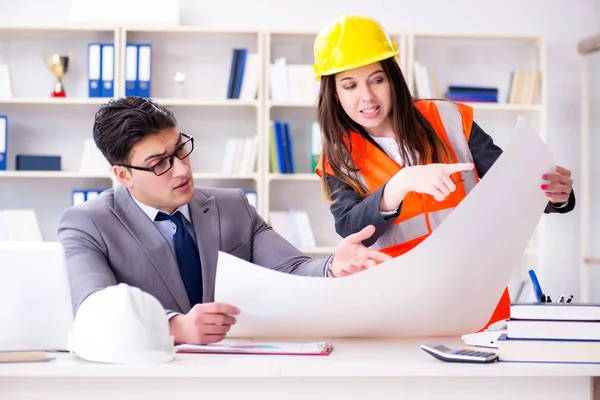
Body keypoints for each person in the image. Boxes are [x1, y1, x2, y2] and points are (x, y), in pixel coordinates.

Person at [57, 96, 391, 345]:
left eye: (181, 149)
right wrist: (174, 327)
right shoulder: (88, 224)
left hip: (235, 375)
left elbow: (290, 268)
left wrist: (334, 266)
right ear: (123, 175)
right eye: (159, 163)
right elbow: (93, 309)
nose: (181, 169)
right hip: (148, 378)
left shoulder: (233, 206)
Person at [313, 15, 575, 328]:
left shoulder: (446, 118)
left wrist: (555, 196)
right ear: (335, 93)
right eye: (350, 85)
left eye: (377, 79)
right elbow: (349, 228)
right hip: (401, 304)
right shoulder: (338, 156)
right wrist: (400, 184)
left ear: (393, 78)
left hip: (477, 292)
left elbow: (511, 181)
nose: (366, 96)